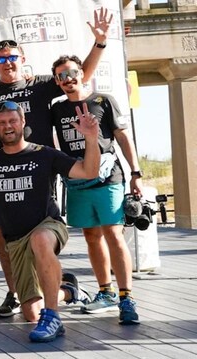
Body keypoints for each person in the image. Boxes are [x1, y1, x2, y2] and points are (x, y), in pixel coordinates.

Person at [0, 7, 113, 317]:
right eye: (2, 59)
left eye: (13, 57)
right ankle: (15, 292)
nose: (8, 63)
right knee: (2, 231)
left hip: (42, 169)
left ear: (22, 59)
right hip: (4, 169)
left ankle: (58, 289)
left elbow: (81, 76)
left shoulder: (40, 84)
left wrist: (100, 44)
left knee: (43, 234)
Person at [0, 101, 97, 342]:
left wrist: (91, 139)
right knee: (30, 313)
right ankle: (68, 292)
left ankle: (53, 319)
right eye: (2, 123)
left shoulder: (45, 154)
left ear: (23, 122)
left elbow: (88, 171)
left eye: (12, 121)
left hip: (48, 226)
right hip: (16, 240)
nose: (8, 127)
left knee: (40, 239)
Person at [50, 55, 141, 324]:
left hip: (108, 177)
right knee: (91, 235)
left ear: (83, 73)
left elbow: (123, 136)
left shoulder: (103, 100)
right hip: (77, 181)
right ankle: (105, 292)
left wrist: (136, 173)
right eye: (61, 77)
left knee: (113, 233)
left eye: (72, 73)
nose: (68, 80)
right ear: (57, 82)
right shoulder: (56, 109)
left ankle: (126, 297)